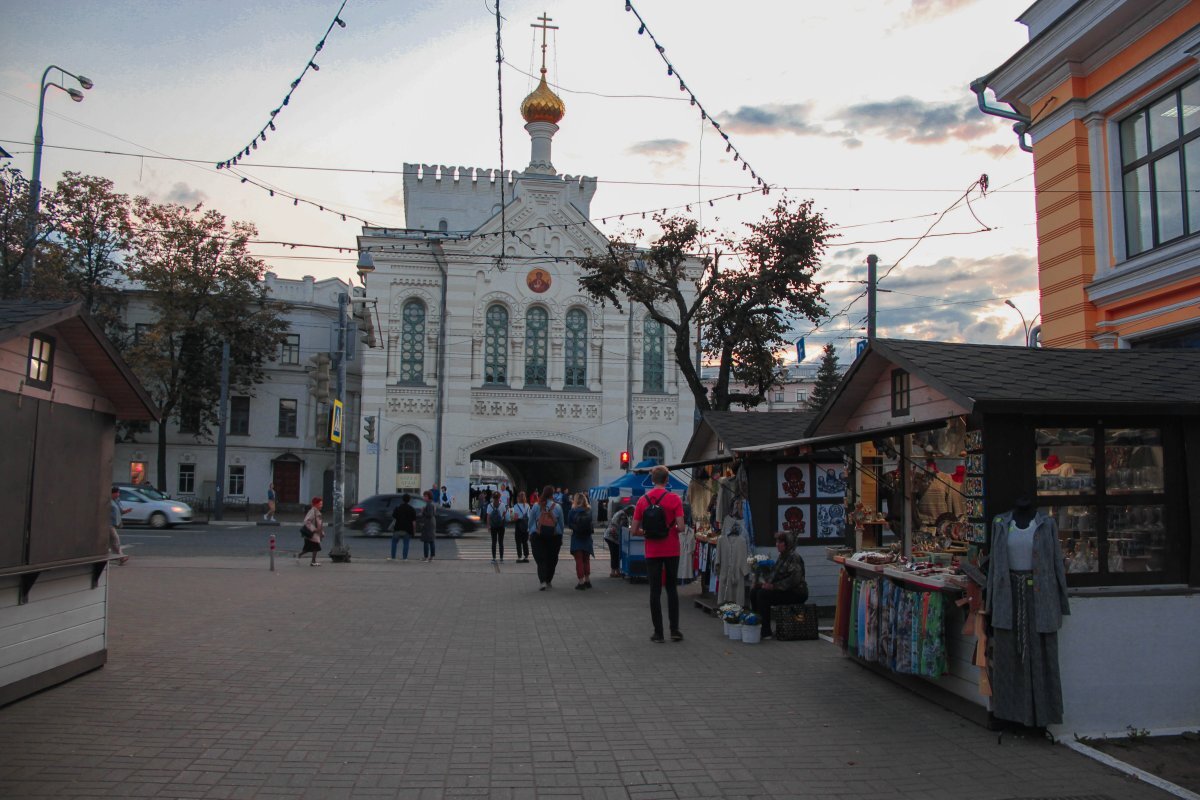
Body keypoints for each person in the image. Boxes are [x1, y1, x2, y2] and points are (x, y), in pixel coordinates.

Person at [631, 466, 685, 643]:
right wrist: (670, 529)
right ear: (667, 480)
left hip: (652, 551)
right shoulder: (674, 499)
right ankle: (675, 630)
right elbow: (682, 527)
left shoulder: (642, 500)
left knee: (654, 591)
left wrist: (647, 532)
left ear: (652, 480)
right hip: (671, 549)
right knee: (671, 589)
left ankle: (658, 633)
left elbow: (634, 530)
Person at [748, 531, 809, 639]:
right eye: (777, 541)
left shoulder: (794, 557)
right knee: (754, 592)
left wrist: (773, 587)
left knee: (763, 595)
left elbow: (794, 580)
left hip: (796, 592)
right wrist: (761, 583)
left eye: (780, 542)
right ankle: (756, 624)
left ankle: (765, 631)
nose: (777, 544)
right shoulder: (782, 557)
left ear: (787, 544)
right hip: (784, 590)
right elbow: (773, 575)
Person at [527, 484, 564, 590]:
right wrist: (560, 536)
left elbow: (530, 521)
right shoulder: (557, 507)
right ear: (552, 494)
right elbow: (561, 523)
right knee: (552, 558)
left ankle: (542, 581)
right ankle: (548, 580)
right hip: (554, 536)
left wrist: (530, 532)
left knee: (541, 558)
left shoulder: (536, 506)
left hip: (537, 535)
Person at [567, 493, 595, 590]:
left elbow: (569, 524)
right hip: (587, 539)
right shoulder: (589, 511)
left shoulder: (572, 511)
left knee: (579, 561)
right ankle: (587, 580)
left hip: (577, 538)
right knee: (586, 560)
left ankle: (581, 582)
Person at [603, 503, 629, 578]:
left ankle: (616, 571)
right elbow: (622, 526)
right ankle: (613, 572)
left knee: (615, 554)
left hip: (610, 536)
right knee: (615, 554)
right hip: (612, 537)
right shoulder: (623, 515)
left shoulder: (620, 513)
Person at [299, 497, 325, 566]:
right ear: (315, 504)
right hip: (312, 533)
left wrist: (322, 532)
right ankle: (312, 561)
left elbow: (319, 524)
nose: (321, 506)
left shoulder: (317, 512)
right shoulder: (312, 511)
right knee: (315, 547)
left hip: (315, 533)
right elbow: (307, 521)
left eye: (321, 504)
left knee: (310, 548)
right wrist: (314, 529)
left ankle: (300, 556)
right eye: (320, 504)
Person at [390, 494, 416, 561]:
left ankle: (393, 557)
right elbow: (414, 522)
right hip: (407, 530)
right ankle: (405, 558)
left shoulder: (398, 507)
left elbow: (393, 517)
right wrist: (414, 531)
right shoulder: (412, 509)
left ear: (402, 499)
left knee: (394, 542)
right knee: (406, 544)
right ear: (409, 500)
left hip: (397, 528)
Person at [108, 486, 130, 565]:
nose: (118, 494)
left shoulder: (116, 500)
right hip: (108, 523)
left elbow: (120, 511)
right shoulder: (108, 501)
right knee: (115, 539)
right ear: (112, 493)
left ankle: (118, 557)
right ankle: (121, 557)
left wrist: (126, 511)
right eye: (116, 493)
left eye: (118, 493)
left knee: (112, 541)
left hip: (113, 523)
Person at [485, 491, 507, 563]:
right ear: (500, 497)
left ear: (492, 497)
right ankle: (501, 559)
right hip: (501, 526)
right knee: (501, 542)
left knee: (494, 542)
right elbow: (504, 515)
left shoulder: (489, 505)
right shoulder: (503, 505)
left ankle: (494, 558)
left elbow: (488, 517)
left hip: (493, 526)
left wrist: (488, 526)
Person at [511, 491, 531, 563]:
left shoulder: (516, 506)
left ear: (518, 497)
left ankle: (519, 557)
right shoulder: (528, 505)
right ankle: (526, 557)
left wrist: (512, 518)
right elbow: (529, 516)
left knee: (518, 541)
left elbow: (515, 517)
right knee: (525, 542)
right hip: (526, 524)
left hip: (518, 524)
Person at [420, 490, 438, 562]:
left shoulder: (429, 504)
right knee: (431, 540)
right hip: (431, 523)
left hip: (428, 524)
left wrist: (423, 511)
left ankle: (426, 557)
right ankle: (432, 556)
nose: (424, 497)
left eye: (425, 496)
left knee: (426, 541)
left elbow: (429, 515)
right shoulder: (432, 504)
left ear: (428, 497)